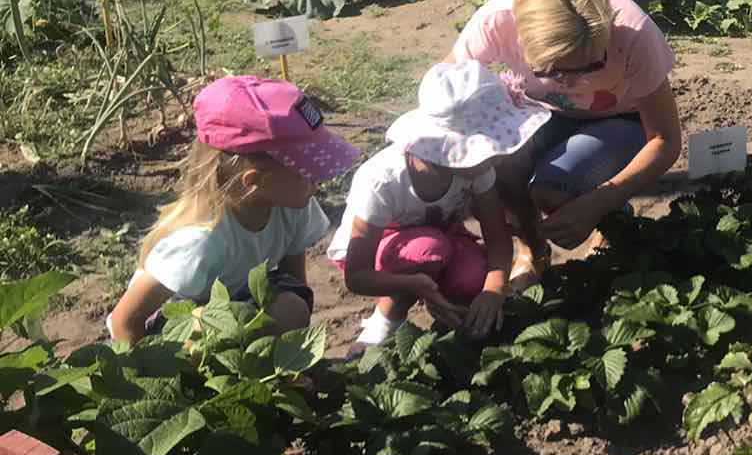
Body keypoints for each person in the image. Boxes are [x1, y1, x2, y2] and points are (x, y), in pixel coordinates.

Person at [448, 0, 682, 276]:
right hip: (539, 114)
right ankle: (532, 250)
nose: (571, 83)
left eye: (590, 66)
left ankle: (611, 219)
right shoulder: (499, 20)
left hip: (620, 119)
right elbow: (444, 88)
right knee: (495, 167)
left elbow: (665, 139)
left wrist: (602, 200)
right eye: (552, 71)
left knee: (551, 191)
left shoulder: (633, 31)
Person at [108, 77, 360, 343]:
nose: (319, 180)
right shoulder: (200, 241)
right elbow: (123, 321)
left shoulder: (293, 207)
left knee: (290, 308)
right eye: (308, 173)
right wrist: (147, 377)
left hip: (234, 303)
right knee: (224, 325)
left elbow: (295, 285)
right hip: (173, 323)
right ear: (254, 181)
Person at [329, 60, 544, 352]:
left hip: (440, 242)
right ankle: (383, 325)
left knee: (471, 278)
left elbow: (498, 239)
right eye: (491, 149)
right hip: (383, 256)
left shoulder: (478, 171)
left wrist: (492, 290)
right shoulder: (382, 180)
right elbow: (356, 276)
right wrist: (413, 286)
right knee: (428, 250)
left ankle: (449, 324)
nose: (499, 158)